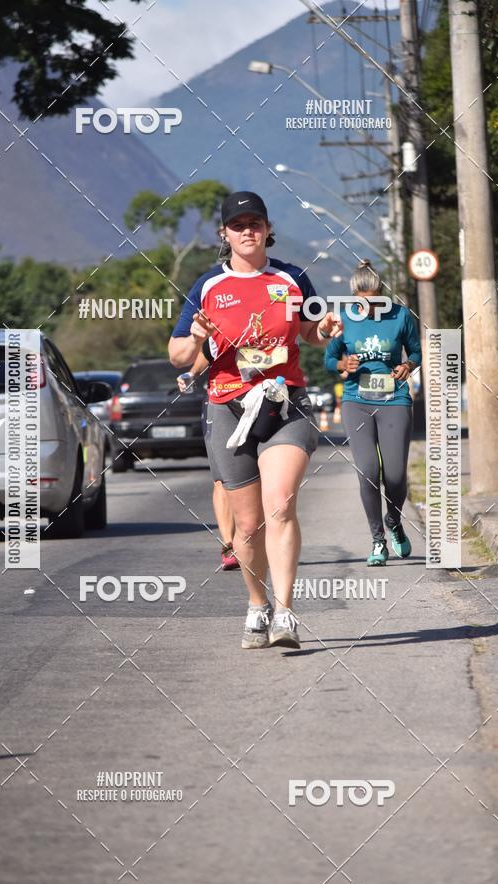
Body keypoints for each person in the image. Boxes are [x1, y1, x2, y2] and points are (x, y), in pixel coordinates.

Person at [169, 190, 342, 649]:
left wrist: (324, 330)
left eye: (255, 223)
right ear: (224, 234)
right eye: (238, 224)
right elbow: (177, 354)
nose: (247, 230)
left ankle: (286, 614)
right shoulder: (208, 286)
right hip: (227, 405)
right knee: (247, 526)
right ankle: (257, 605)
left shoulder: (292, 277)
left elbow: (311, 332)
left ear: (267, 229)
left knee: (281, 503)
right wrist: (199, 337)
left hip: (284, 403)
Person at [324, 259, 422, 566]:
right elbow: (330, 358)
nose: (368, 304)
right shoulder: (344, 320)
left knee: (394, 474)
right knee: (367, 472)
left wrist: (408, 365)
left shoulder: (401, 316)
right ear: (354, 296)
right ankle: (377, 539)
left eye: (374, 297)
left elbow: (416, 350)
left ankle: (394, 520)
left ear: (381, 292)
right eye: (362, 299)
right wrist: (343, 365)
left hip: (394, 400)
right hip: (357, 400)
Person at [176, 347, 239, 571]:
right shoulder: (212, 313)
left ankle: (253, 540)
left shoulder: (275, 312)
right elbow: (179, 355)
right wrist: (193, 372)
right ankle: (229, 545)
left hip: (264, 394)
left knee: (259, 475)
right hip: (221, 397)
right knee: (222, 478)